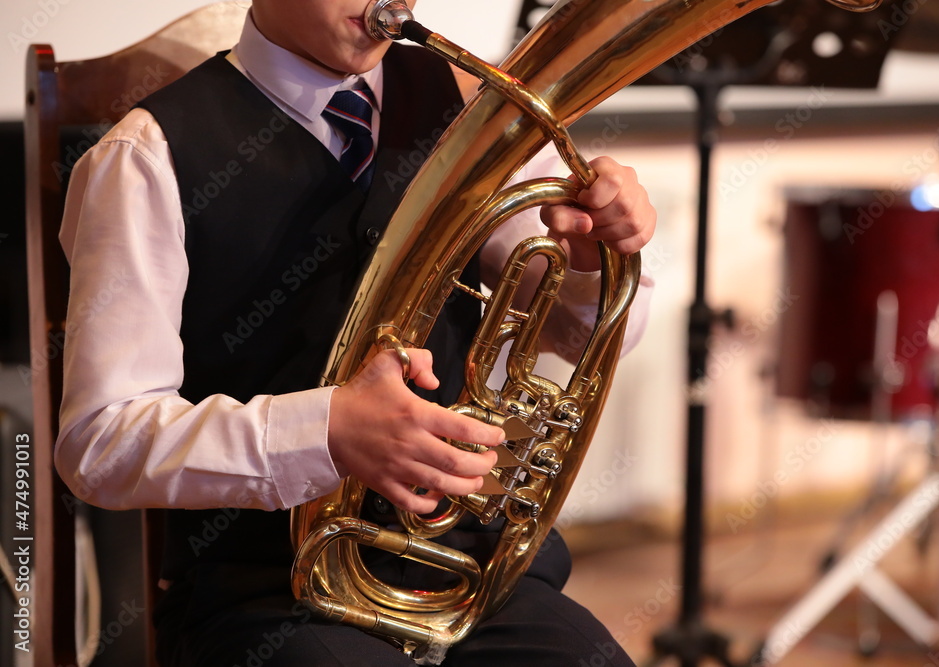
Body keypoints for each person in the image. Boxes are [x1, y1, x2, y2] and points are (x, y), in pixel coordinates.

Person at [55, 0, 656, 665]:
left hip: (472, 572)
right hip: (270, 600)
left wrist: (588, 263)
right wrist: (325, 432)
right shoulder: (145, 156)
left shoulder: (466, 106)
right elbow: (100, 442)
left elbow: (581, 337)